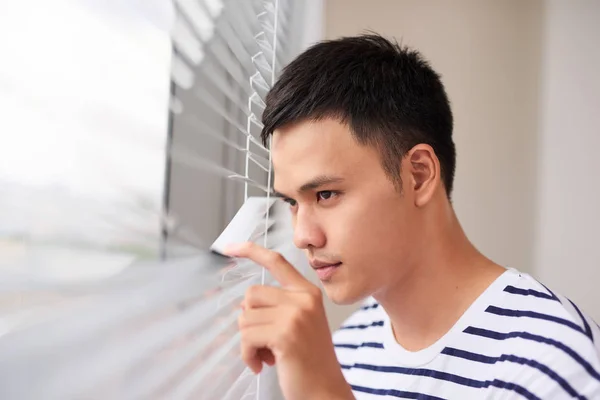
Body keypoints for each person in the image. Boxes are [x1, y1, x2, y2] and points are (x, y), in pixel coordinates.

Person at [223, 34, 600, 399]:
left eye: (325, 194)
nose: (302, 236)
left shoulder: (553, 361)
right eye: (292, 202)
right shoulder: (347, 348)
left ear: (418, 175)